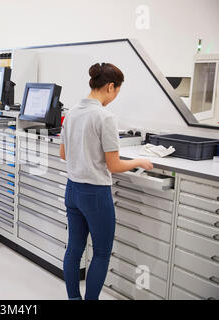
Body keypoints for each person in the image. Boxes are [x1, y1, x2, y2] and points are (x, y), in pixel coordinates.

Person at [60, 62, 153, 300]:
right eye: (117, 92)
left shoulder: (70, 113)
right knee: (101, 253)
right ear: (110, 86)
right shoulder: (105, 117)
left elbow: (63, 154)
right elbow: (114, 165)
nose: (115, 98)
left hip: (72, 191)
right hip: (95, 195)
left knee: (74, 249)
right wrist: (138, 162)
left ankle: (73, 298)